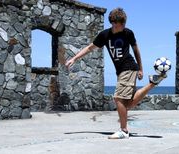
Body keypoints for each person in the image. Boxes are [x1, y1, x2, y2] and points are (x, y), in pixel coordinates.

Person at [65, 8, 166, 139]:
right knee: (127, 104)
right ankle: (152, 83)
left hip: (128, 67)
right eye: (121, 24)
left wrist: (141, 68)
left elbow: (136, 51)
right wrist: (74, 58)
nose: (123, 26)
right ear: (113, 22)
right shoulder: (105, 35)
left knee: (118, 98)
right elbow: (90, 48)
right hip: (121, 71)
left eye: (124, 23)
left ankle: (124, 130)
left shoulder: (128, 33)